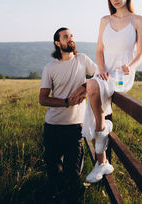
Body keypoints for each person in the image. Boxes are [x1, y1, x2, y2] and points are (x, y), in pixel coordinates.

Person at [82, 0, 142, 183]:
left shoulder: (138, 20)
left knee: (94, 89)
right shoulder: (104, 20)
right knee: (91, 87)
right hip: (104, 72)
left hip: (121, 76)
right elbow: (99, 50)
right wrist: (100, 69)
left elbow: (141, 53)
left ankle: (101, 155)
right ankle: (102, 157)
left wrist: (132, 67)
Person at [39, 27, 96, 202]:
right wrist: (66, 102)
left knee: (73, 174)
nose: (70, 38)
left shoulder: (83, 59)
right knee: (54, 173)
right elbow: (43, 99)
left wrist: (85, 87)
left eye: (71, 35)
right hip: (53, 127)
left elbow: (100, 76)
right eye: (65, 36)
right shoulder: (50, 67)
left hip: (75, 127)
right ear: (58, 43)